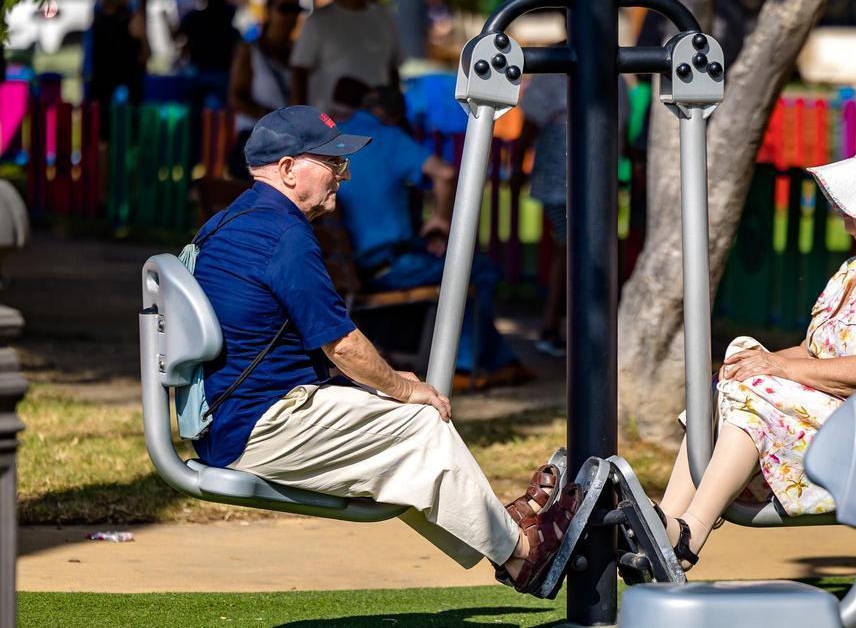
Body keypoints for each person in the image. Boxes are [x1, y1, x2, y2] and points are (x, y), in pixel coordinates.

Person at [191, 105, 578, 591]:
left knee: (404, 440)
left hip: (231, 419)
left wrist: (391, 388)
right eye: (332, 163)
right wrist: (402, 388)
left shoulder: (228, 222)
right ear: (288, 169)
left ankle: (507, 535)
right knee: (419, 422)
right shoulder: (284, 236)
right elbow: (342, 345)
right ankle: (525, 554)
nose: (343, 176)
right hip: (262, 425)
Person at [655, 134, 856, 570]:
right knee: (735, 370)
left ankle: (687, 534)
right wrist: (755, 363)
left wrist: (775, 369)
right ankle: (666, 523)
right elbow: (814, 352)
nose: (845, 214)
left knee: (754, 388)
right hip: (842, 416)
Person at [335, 85, 530, 389]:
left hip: (350, 266)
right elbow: (445, 173)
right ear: (396, 116)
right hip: (389, 266)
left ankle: (503, 363)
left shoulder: (338, 138)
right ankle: (466, 366)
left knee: (460, 271)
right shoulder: (389, 136)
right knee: (476, 269)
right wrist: (441, 219)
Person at [520, 71, 629, 356]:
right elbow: (530, 124)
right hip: (563, 173)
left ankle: (566, 326)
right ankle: (555, 326)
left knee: (580, 248)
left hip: (592, 171)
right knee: (572, 247)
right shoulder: (554, 69)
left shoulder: (606, 66)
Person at [289, 0, 402, 113]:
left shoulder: (385, 19)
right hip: (332, 125)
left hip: (377, 124)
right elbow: (299, 73)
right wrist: (303, 119)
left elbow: (393, 71)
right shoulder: (318, 21)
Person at [227, 0, 302, 180]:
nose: (290, 16)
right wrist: (271, 118)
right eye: (284, 9)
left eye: (296, 10)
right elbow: (236, 97)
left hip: (289, 142)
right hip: (255, 138)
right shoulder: (250, 50)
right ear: (269, 11)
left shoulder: (299, 53)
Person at [86, 0, 148, 137]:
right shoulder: (132, 19)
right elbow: (145, 55)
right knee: (127, 138)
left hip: (100, 86)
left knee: (102, 139)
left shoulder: (96, 18)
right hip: (127, 88)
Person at [177, 0, 242, 108]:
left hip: (205, 78)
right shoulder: (228, 14)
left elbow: (178, 38)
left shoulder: (194, 18)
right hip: (220, 78)